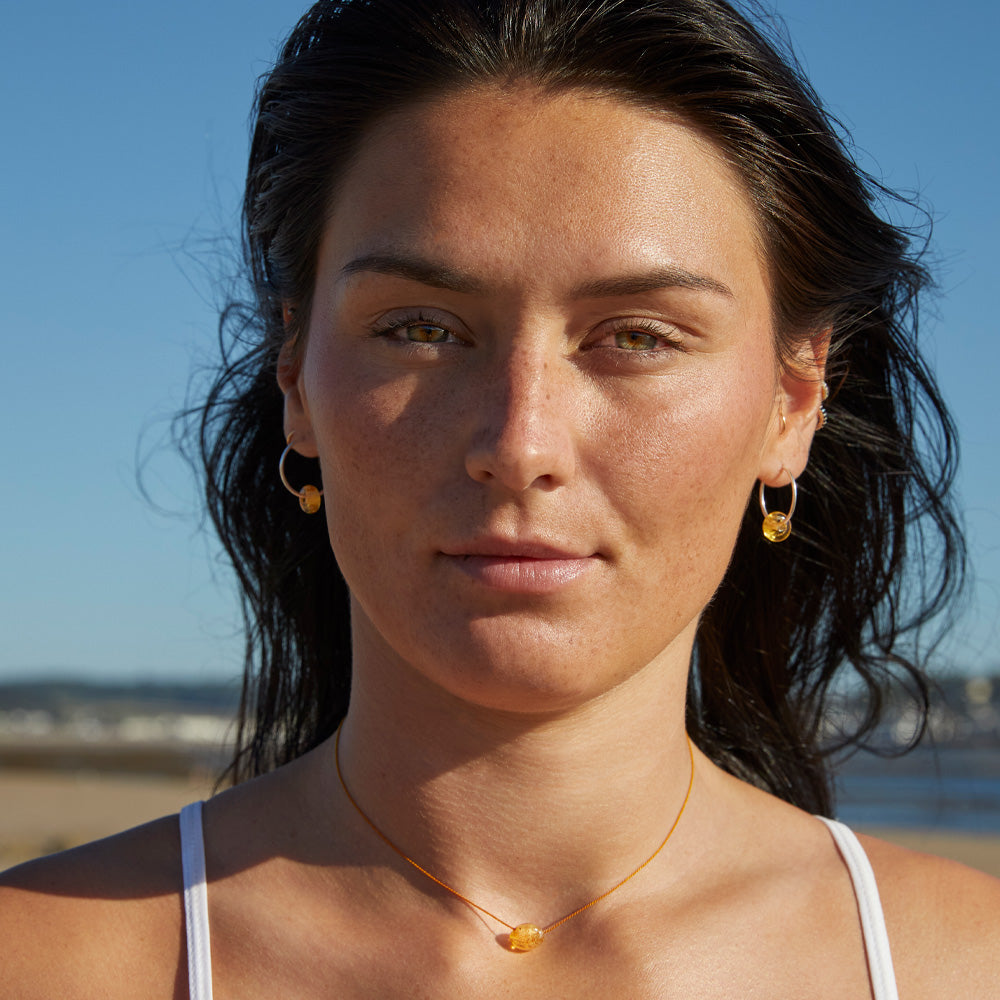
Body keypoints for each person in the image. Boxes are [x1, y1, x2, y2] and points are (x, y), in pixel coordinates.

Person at [2, 0, 998, 995]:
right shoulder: (43, 960)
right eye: (422, 328)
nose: (519, 445)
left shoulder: (960, 962)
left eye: (638, 335)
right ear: (296, 376)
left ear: (792, 400)